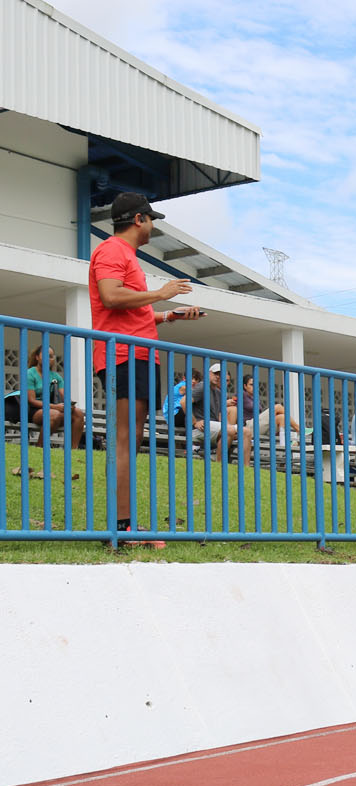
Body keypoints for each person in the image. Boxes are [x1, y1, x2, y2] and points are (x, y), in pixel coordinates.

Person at [89, 192, 203, 541]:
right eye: (151, 219)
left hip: (138, 355)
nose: (153, 226)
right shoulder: (111, 250)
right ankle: (122, 527)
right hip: (123, 356)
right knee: (124, 441)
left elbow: (130, 309)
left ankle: (124, 523)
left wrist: (168, 315)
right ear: (138, 219)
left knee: (132, 441)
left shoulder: (127, 256)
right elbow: (111, 296)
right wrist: (161, 294)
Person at [5, 346, 85, 476]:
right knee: (53, 415)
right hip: (34, 410)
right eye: (46, 355)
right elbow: (31, 400)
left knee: (78, 413)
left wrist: (68, 405)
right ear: (37, 357)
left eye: (52, 356)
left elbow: (64, 396)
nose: (49, 358)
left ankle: (72, 451)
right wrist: (55, 407)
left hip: (55, 410)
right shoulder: (30, 374)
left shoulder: (56, 377)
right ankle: (40, 448)